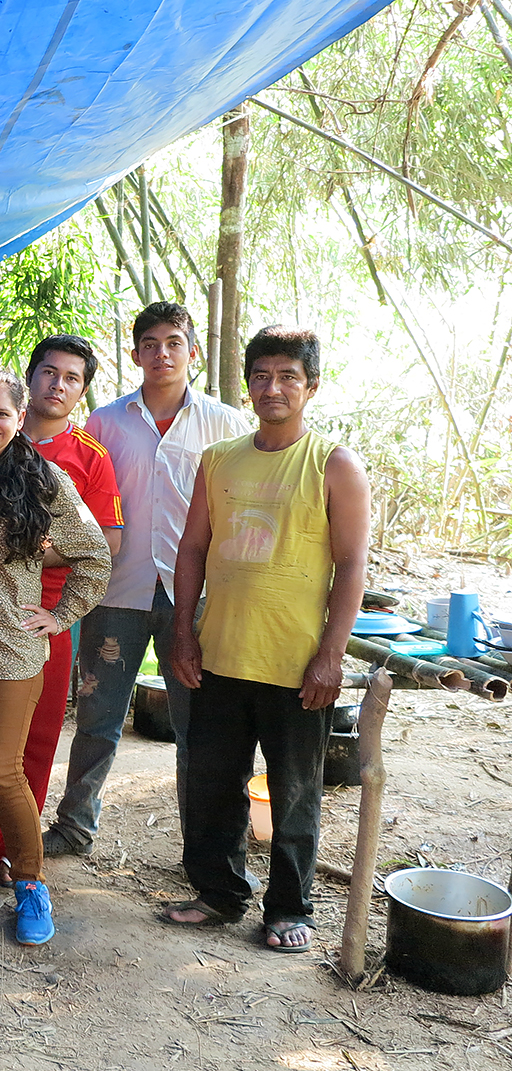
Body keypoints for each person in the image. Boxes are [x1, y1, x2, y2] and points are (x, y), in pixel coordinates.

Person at [161, 327, 369, 952]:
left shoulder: (333, 464)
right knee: (213, 783)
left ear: (311, 387)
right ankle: (219, 894)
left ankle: (289, 909)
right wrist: (182, 633)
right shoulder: (219, 459)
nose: (272, 388)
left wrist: (330, 656)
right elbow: (193, 546)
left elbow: (353, 565)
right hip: (221, 652)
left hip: (296, 662)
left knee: (295, 790)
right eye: (261, 376)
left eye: (287, 377)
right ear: (246, 384)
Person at [45, 301, 252, 858]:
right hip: (117, 590)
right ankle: (73, 824)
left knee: (198, 727)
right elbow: (79, 508)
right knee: (97, 715)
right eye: (151, 343)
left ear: (193, 352)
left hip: (199, 599)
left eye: (174, 343)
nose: (162, 353)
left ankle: (201, 847)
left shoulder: (226, 425)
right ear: (135, 353)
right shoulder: (104, 424)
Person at [0, 336, 124, 884]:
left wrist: (59, 617)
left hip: (10, 647)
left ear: (18, 418)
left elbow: (94, 553)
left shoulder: (42, 478)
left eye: (2, 414)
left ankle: (29, 881)